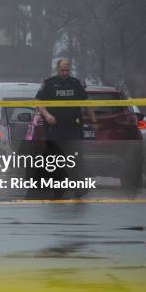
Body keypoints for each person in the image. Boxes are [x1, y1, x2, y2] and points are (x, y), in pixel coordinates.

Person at [35, 59, 98, 198]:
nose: (65, 73)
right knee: (56, 160)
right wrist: (47, 115)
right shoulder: (49, 83)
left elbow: (87, 102)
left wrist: (94, 120)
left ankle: (77, 187)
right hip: (54, 128)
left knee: (73, 160)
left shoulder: (75, 83)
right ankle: (60, 190)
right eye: (62, 70)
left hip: (73, 128)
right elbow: (38, 102)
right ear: (57, 69)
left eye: (67, 70)